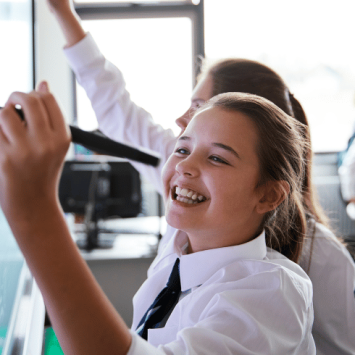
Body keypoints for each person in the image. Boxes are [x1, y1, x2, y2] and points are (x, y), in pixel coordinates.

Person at [46, 1, 355, 353]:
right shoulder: (184, 231)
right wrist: (61, 11)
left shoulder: (289, 278)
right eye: (181, 147)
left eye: (198, 107)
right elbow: (117, 112)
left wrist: (36, 212)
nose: (181, 121)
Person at [0, 88, 315, 353]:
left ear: (269, 196)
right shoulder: (177, 251)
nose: (185, 166)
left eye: (217, 158)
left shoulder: (273, 292)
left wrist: (34, 212)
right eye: (182, 149)